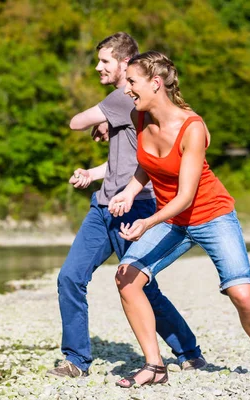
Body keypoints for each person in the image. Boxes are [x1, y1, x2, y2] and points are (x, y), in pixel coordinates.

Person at [108, 50, 250, 387]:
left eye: (132, 81)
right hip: (173, 220)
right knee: (126, 277)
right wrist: (130, 191)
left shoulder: (192, 127)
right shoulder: (138, 116)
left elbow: (186, 197)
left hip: (211, 215)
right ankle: (155, 366)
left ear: (155, 83)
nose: (126, 88)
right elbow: (149, 163)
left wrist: (146, 222)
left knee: (242, 295)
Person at [46, 33, 205, 379]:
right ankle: (76, 360)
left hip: (135, 206)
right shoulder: (128, 104)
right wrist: (93, 172)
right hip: (103, 203)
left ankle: (188, 351)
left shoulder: (122, 99)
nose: (98, 67)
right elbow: (126, 160)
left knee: (141, 285)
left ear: (123, 63)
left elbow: (75, 122)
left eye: (105, 61)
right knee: (70, 277)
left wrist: (104, 117)